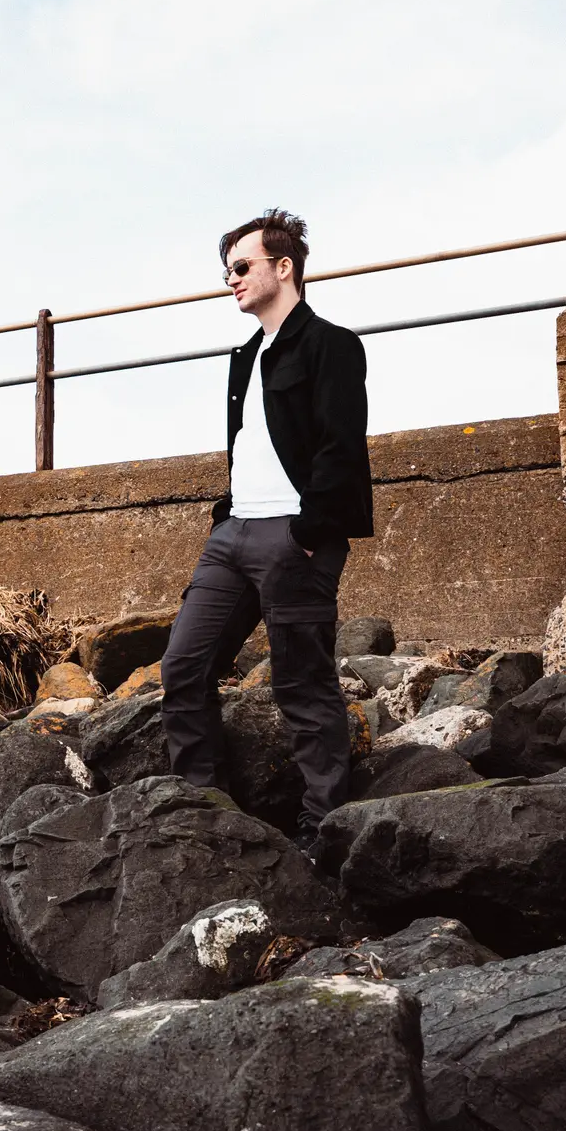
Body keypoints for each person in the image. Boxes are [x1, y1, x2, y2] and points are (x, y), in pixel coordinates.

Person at [159, 209, 373, 859]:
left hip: (295, 534)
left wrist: (309, 530)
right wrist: (228, 512)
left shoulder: (332, 345)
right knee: (182, 666)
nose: (232, 279)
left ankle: (322, 832)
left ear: (284, 267)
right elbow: (248, 443)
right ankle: (205, 807)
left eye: (243, 266)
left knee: (302, 684)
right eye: (226, 271)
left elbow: (341, 445)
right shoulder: (243, 356)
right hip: (236, 533)